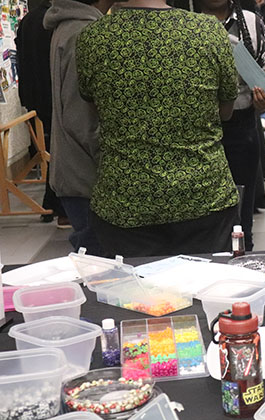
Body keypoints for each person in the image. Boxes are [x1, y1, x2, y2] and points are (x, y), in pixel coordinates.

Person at [76, 0, 241, 257]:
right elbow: (226, 110)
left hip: (126, 198)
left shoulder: (93, 38)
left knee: (137, 294)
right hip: (203, 193)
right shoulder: (208, 31)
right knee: (204, 288)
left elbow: (96, 110)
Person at [200, 0, 265, 250]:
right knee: (204, 214)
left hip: (242, 126)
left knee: (242, 212)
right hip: (197, 130)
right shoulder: (186, 23)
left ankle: (244, 262)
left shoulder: (251, 23)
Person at [43, 0, 113, 256]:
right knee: (101, 267)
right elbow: (81, 117)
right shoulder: (83, 33)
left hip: (78, 172)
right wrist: (115, 163)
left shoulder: (72, 26)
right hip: (86, 175)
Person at [15, 0, 69, 228]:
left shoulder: (27, 21)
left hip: (36, 97)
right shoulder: (58, 23)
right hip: (57, 95)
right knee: (63, 151)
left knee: (55, 149)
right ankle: (59, 207)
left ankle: (54, 206)